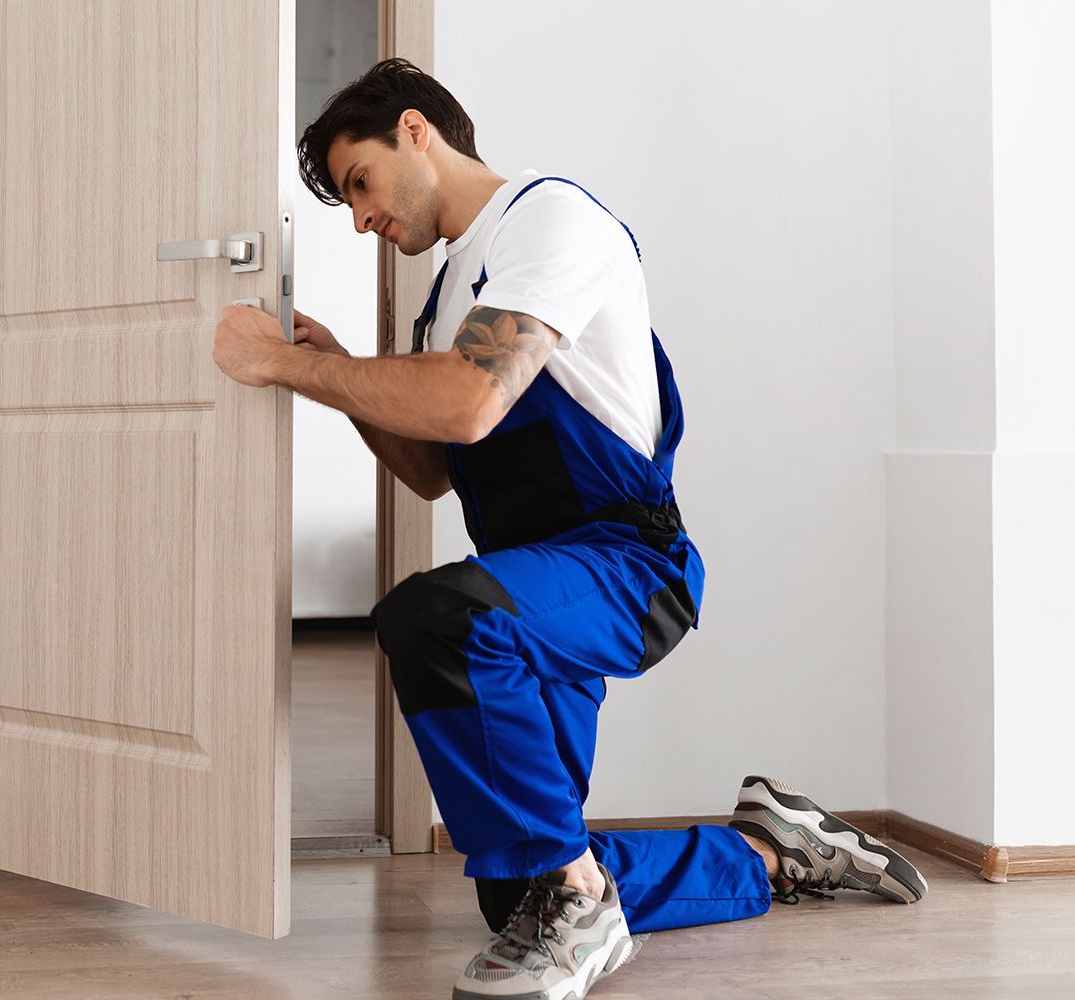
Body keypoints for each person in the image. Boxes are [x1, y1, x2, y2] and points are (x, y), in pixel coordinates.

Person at [212, 58, 927, 1000]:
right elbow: (431, 470)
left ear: (417, 132)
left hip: (627, 569)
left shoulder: (549, 222)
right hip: (534, 583)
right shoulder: (443, 302)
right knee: (519, 887)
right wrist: (344, 370)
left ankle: (582, 904)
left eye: (360, 183)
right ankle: (768, 853)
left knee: (434, 617)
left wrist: (285, 370)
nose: (361, 219)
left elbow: (470, 402)